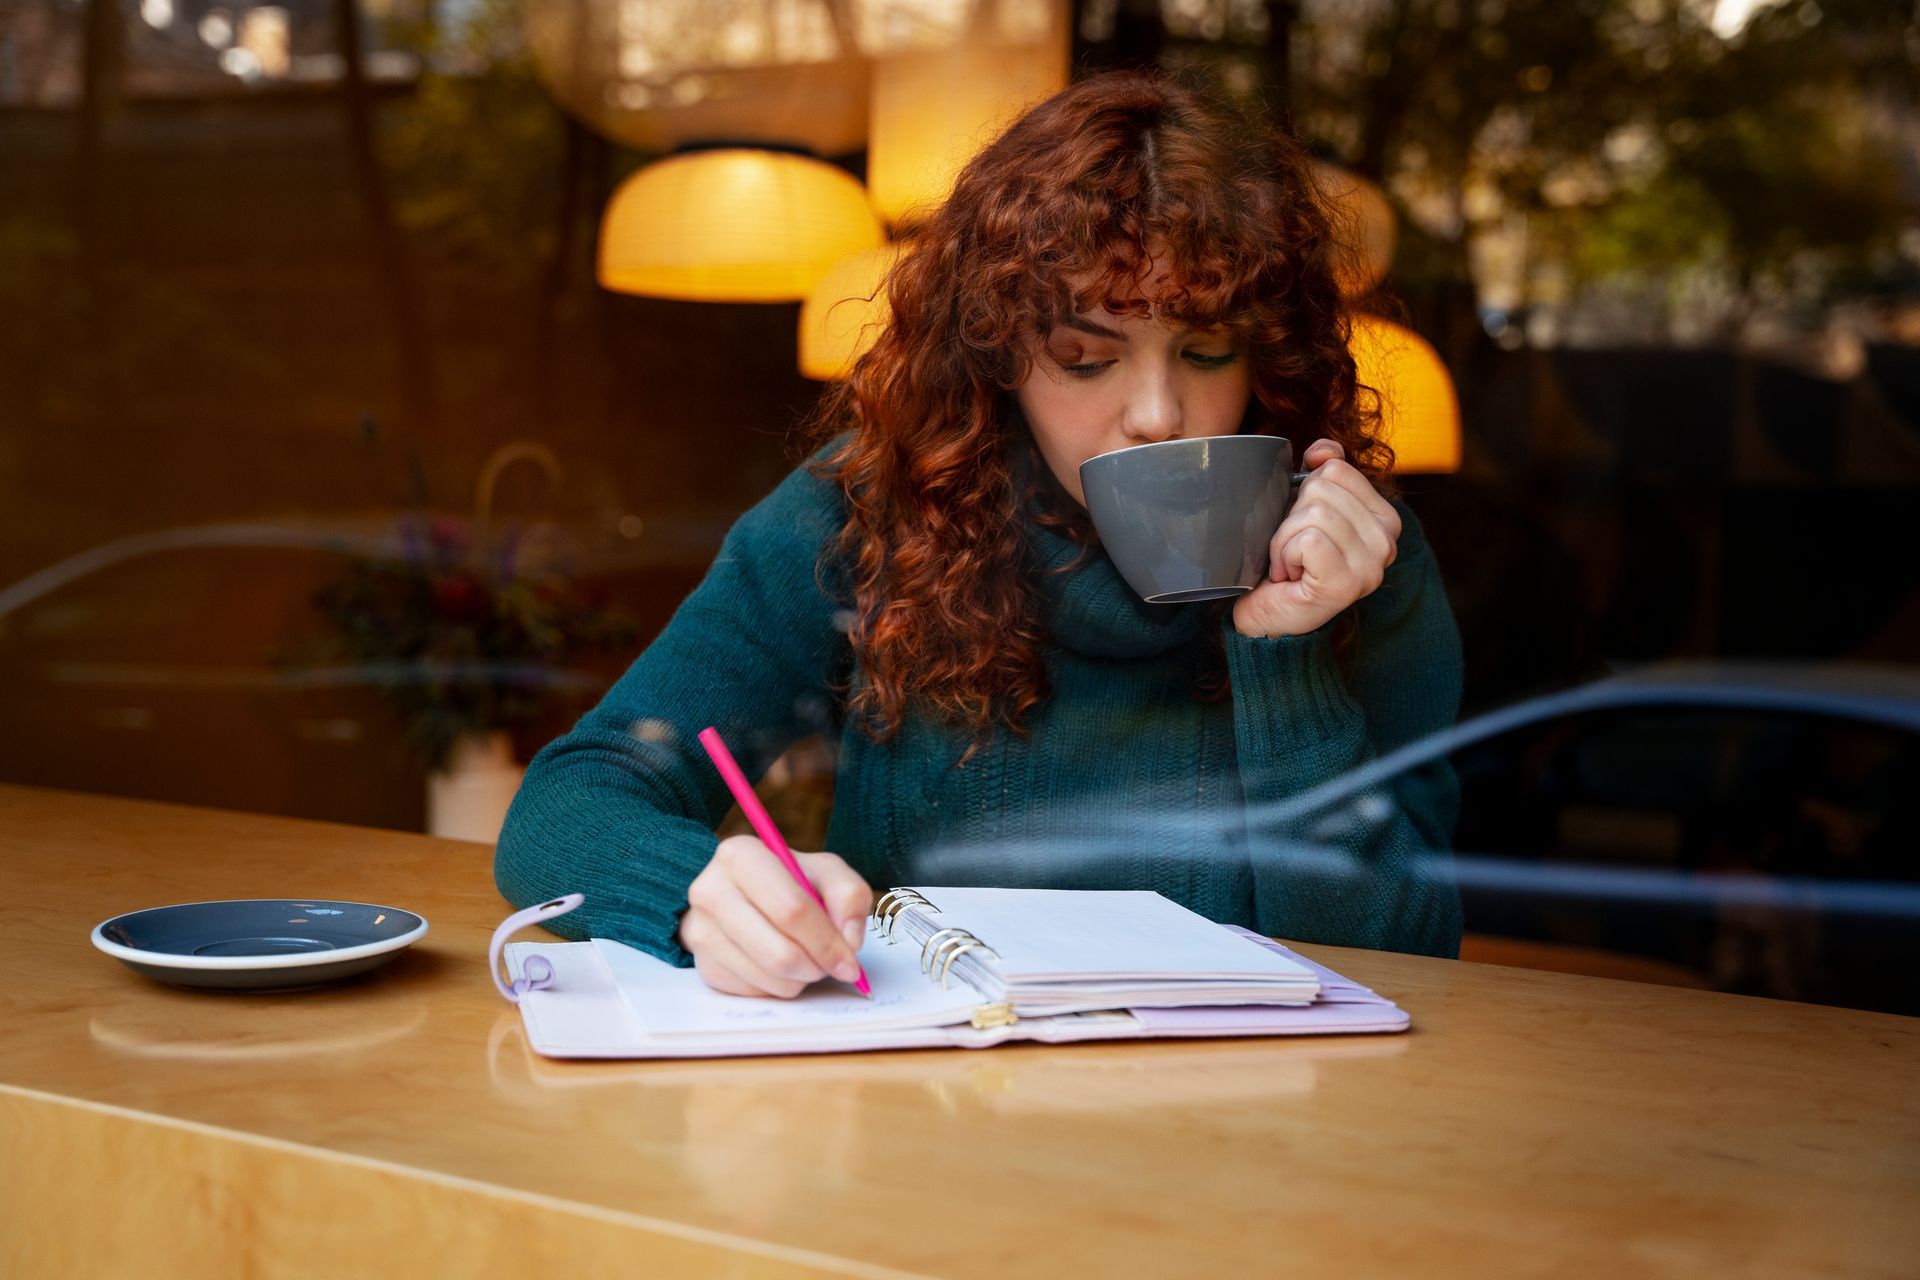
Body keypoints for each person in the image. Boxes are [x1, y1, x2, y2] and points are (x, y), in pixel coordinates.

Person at [495, 69, 1464, 998]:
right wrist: (695, 894)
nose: (1158, 413)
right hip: (932, 1105)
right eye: (1086, 357)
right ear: (1001, 354)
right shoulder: (875, 506)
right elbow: (573, 797)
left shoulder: (1354, 552)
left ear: (1269, 353)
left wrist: (1286, 646)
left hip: (1258, 1123)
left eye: (1207, 350)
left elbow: (1405, 947)